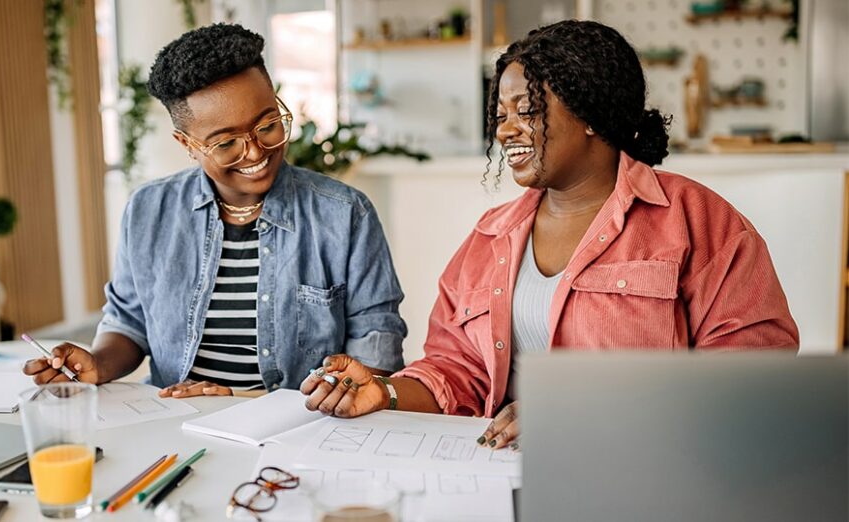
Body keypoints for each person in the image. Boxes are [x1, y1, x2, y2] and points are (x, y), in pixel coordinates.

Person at [300, 20, 798, 448]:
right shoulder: (490, 237)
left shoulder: (696, 220)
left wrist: (584, 416)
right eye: (501, 115)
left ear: (587, 111)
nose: (506, 130)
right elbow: (456, 372)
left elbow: (752, 377)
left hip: (651, 474)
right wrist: (383, 392)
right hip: (501, 472)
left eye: (528, 110)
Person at [24, 24, 406, 396]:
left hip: (297, 429)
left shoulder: (344, 214)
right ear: (187, 143)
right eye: (225, 144)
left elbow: (376, 351)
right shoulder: (147, 211)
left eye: (268, 125)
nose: (255, 153)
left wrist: (244, 403)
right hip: (176, 422)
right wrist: (98, 363)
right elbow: (129, 323)